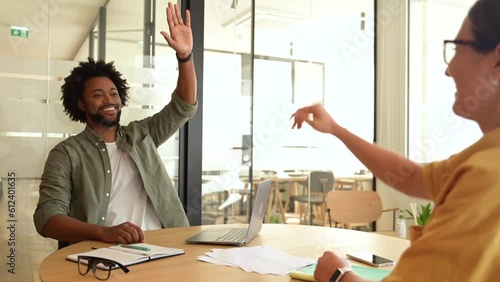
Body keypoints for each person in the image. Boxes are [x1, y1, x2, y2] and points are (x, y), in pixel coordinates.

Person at [291, 0, 500, 281]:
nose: (448, 69)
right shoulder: (485, 157)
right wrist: (336, 129)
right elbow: (411, 176)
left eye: (457, 47)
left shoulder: (486, 175)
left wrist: (338, 275)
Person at [33, 2, 197, 246]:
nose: (108, 100)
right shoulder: (66, 154)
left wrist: (185, 56)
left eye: (113, 93)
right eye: (97, 95)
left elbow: (183, 105)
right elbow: (46, 218)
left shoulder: (143, 134)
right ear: (81, 104)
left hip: (166, 245)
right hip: (106, 253)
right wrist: (101, 232)